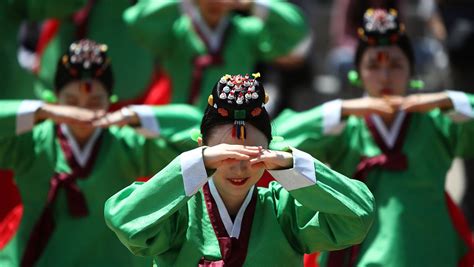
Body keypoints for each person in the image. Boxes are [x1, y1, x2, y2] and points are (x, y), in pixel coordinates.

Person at [104, 73, 375, 266]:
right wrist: (195, 164)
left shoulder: (284, 211)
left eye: (252, 153)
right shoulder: (180, 212)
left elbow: (358, 216)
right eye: (225, 154)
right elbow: (125, 222)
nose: (239, 166)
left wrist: (291, 164)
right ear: (203, 149)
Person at [273, 8, 474, 266]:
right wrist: (343, 109)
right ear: (357, 73)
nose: (385, 76)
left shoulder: (437, 122)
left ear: (412, 72)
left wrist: (446, 99)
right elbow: (276, 138)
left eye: (396, 65)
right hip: (363, 255)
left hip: (430, 251)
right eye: (373, 66)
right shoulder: (347, 126)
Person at [0, 39, 201, 267]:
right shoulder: (32, 142)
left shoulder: (126, 145)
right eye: (71, 102)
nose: (82, 111)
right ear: (55, 99)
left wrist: (133, 115)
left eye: (95, 101)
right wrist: (41, 111)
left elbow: (196, 128)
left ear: (110, 100)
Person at [123, 0, 311, 110]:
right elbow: (136, 19)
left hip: (233, 127)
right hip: (181, 129)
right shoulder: (177, 31)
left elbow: (295, 32)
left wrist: (252, 3)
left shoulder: (246, 32)